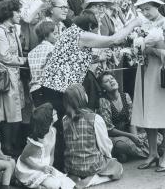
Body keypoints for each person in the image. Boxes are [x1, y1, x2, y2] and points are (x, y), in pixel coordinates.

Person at [30, 9, 142, 170]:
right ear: (89, 26)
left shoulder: (69, 33)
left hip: (51, 88)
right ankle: (61, 169)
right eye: (96, 28)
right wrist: (133, 23)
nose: (97, 32)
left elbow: (75, 56)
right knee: (62, 129)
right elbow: (113, 40)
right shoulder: (82, 35)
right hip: (60, 90)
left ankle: (60, 166)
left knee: (59, 129)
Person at [132, 0, 165, 172]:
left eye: (148, 9)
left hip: (163, 74)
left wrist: (155, 51)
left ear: (157, 6)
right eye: (142, 9)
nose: (145, 13)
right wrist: (137, 48)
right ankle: (153, 153)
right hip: (145, 72)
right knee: (148, 113)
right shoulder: (143, 26)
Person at [62, 84, 123, 188]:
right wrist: (109, 158)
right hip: (92, 166)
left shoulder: (64, 120)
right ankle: (93, 179)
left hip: (71, 167)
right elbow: (105, 145)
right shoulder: (95, 118)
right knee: (118, 167)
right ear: (83, 97)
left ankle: (76, 178)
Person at [0, 0, 27, 156]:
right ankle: (7, 147)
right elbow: (4, 57)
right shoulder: (0, 31)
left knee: (16, 111)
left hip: (15, 75)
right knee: (8, 113)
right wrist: (24, 60)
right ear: (9, 12)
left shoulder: (12, 29)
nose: (20, 14)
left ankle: (12, 146)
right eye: (17, 11)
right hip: (6, 76)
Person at [15, 103, 75, 189]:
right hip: (32, 168)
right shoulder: (37, 141)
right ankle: (32, 184)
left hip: (45, 167)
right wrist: (40, 168)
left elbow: (51, 154)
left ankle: (41, 185)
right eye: (53, 112)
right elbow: (23, 158)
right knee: (55, 185)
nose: (56, 111)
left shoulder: (54, 131)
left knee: (67, 183)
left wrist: (49, 168)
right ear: (48, 119)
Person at [97, 72, 149, 162]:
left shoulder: (126, 96)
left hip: (129, 132)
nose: (111, 81)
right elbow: (109, 130)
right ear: (103, 88)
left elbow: (132, 120)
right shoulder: (104, 101)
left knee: (155, 137)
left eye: (112, 79)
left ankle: (130, 153)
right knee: (123, 144)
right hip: (116, 137)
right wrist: (131, 136)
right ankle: (150, 152)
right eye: (107, 81)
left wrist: (135, 137)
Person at [28, 21, 56, 94]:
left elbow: (31, 75)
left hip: (34, 90)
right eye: (55, 33)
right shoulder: (53, 50)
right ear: (45, 35)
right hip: (49, 90)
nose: (58, 36)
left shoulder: (31, 53)